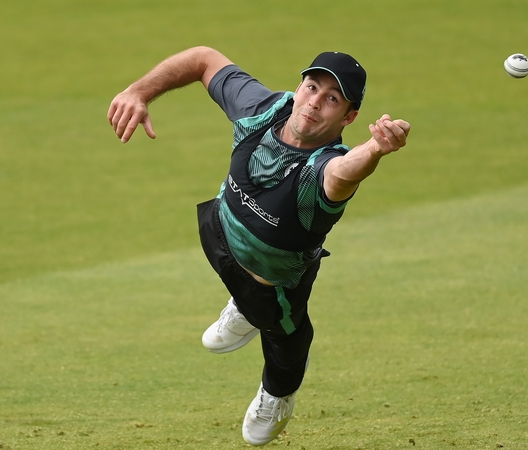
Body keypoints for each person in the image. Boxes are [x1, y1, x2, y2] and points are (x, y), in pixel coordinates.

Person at [107, 46, 410, 446]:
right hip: (219, 233)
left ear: (348, 117)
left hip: (273, 288)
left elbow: (345, 171)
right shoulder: (264, 109)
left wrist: (374, 149)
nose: (314, 102)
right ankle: (243, 306)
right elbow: (203, 59)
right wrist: (138, 92)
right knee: (227, 251)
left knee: (286, 348)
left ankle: (276, 398)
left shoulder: (324, 168)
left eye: (332, 99)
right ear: (299, 88)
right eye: (312, 87)